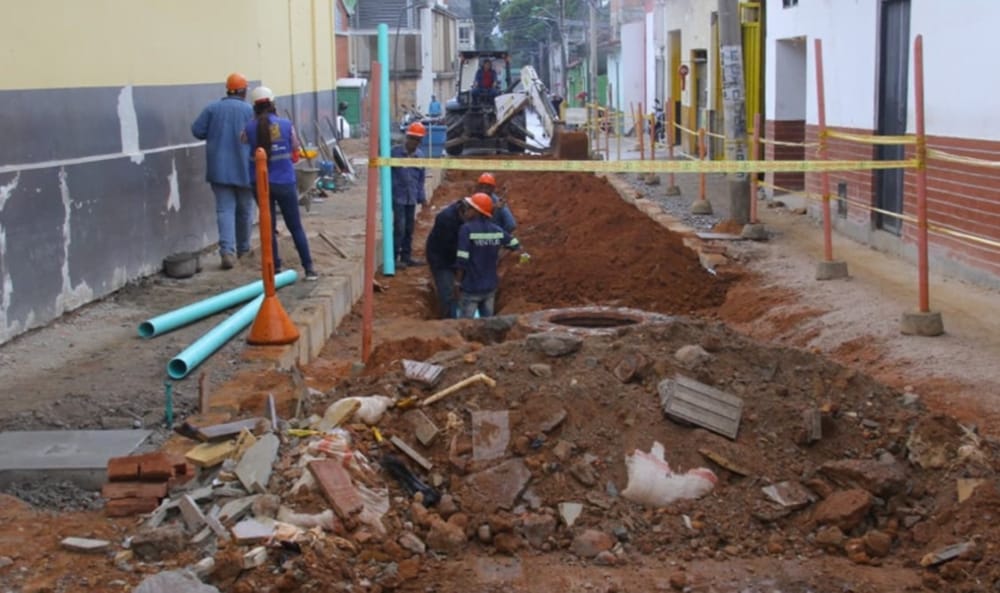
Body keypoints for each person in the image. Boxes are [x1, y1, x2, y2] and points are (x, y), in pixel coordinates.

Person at [243, 86, 318, 280]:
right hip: (284, 182)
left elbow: (243, 140)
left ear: (255, 107)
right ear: (272, 104)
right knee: (295, 226)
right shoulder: (285, 125)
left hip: (261, 184)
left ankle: (274, 268)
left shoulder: (250, 127)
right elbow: (294, 146)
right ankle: (309, 268)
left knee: (268, 228)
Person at [191, 72, 255, 270]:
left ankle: (227, 252)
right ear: (244, 91)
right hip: (245, 169)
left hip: (219, 169)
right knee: (245, 211)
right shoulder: (250, 111)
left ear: (228, 89)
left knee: (224, 210)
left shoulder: (212, 109)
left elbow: (197, 131)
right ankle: (244, 249)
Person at [455, 193, 521, 318]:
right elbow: (515, 244)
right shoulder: (496, 230)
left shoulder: (466, 229)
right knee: (488, 327)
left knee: (465, 326)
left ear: (477, 211)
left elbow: (462, 259)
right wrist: (500, 257)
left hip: (471, 287)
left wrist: (457, 283)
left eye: (469, 208)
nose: (466, 210)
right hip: (490, 288)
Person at [425, 197, 472, 319]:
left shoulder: (469, 216)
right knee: (448, 293)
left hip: (457, 254)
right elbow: (450, 249)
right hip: (441, 259)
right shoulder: (445, 219)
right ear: (463, 211)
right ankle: (449, 321)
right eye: (469, 218)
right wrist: (459, 273)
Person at [391, 122, 427, 267]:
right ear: (407, 137)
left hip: (411, 197)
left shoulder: (420, 156)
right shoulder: (395, 153)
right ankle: (392, 258)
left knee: (409, 228)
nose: (415, 142)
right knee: (399, 227)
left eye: (418, 140)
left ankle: (406, 257)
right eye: (413, 138)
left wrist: (422, 198)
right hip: (398, 196)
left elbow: (420, 180)